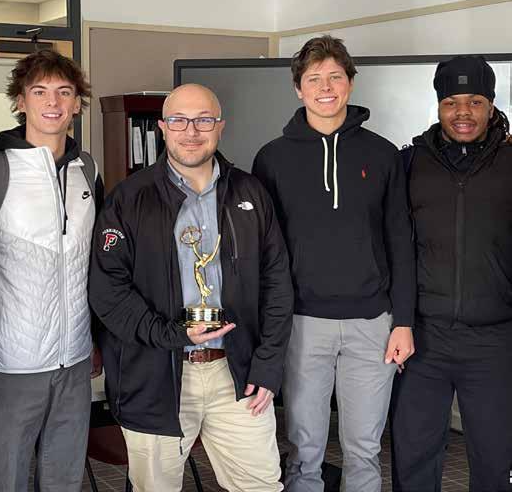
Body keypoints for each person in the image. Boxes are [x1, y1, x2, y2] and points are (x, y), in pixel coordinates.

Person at [89, 83, 293, 492]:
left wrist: (269, 366)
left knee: (261, 486)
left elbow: (277, 285)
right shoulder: (129, 198)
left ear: (220, 126)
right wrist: (173, 334)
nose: (192, 131)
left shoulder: (250, 193)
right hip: (155, 375)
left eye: (204, 120)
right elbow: (108, 292)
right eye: (179, 120)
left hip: (237, 375)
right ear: (163, 127)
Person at [252, 35, 415, 492]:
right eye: (314, 79)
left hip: (373, 324)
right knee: (304, 450)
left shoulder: (383, 154)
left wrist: (403, 322)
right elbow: (265, 252)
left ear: (350, 83)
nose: (325, 88)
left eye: (335, 77)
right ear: (298, 89)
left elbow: (401, 242)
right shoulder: (272, 158)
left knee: (364, 449)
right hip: (302, 324)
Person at [0, 49, 103, 492]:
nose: (53, 102)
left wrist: (95, 339)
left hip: (75, 361)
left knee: (64, 480)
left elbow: (96, 264)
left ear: (77, 104)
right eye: (40, 91)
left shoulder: (88, 170)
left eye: (64, 92)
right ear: (20, 100)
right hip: (10, 363)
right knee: (3, 481)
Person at [390, 55, 512, 492]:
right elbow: (396, 249)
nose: (463, 112)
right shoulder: (409, 164)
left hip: (495, 339)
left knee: (495, 459)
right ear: (439, 106)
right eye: (452, 102)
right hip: (424, 338)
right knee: (413, 457)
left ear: (491, 106)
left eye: (475, 101)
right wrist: (400, 321)